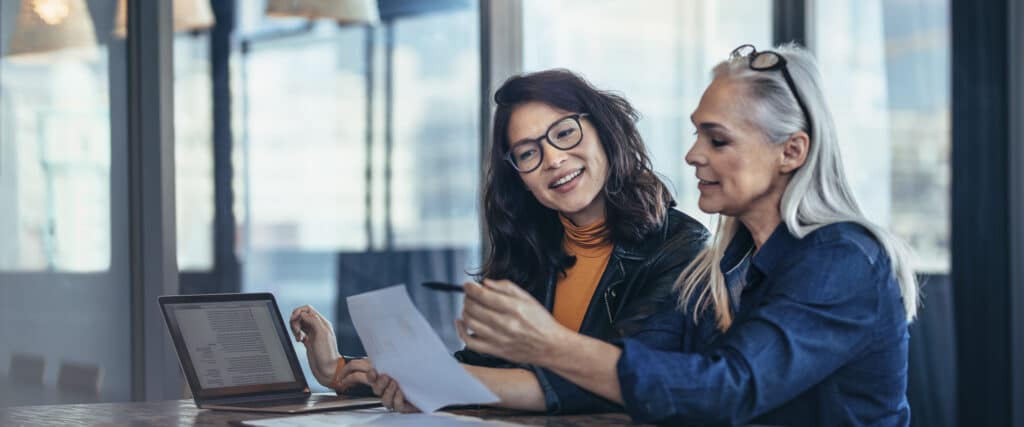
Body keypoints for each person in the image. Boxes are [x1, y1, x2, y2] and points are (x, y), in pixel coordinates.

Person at [444, 44, 920, 426]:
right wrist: (432, 379)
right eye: (696, 135)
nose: (692, 155)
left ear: (791, 152)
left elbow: (728, 390)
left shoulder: (843, 259)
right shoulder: (723, 263)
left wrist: (551, 344)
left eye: (717, 139)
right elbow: (630, 372)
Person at [290, 69, 709, 414]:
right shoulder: (532, 250)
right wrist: (342, 370)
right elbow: (481, 370)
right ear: (520, 178)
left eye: (565, 133)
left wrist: (435, 382)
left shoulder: (682, 249)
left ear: (604, 131)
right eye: (528, 153)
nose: (553, 159)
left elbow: (615, 381)